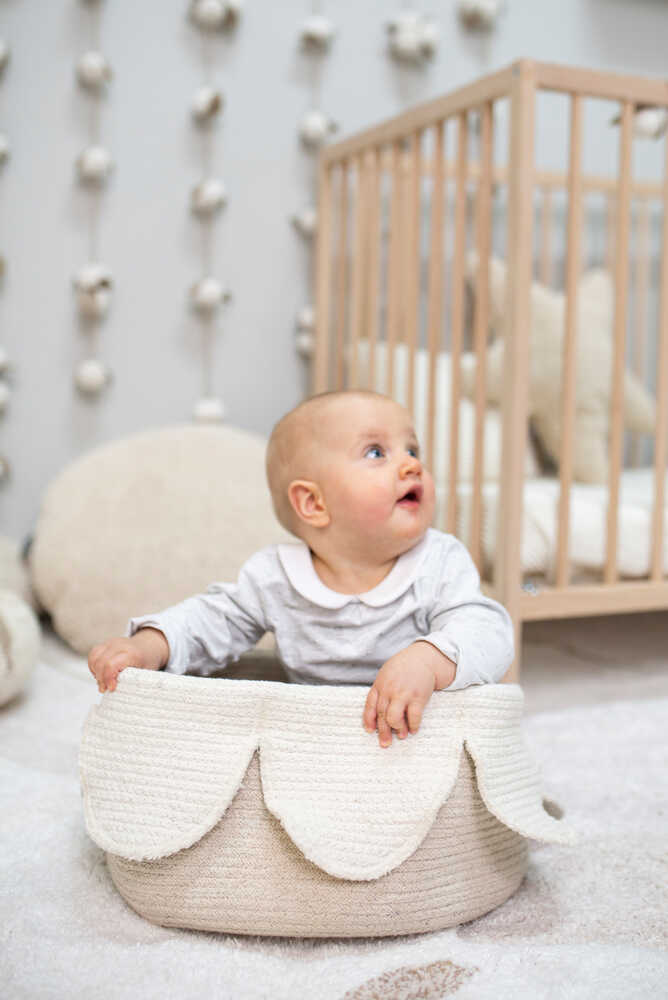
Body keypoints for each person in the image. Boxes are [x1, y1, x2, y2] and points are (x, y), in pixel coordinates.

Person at [87, 390, 514, 748]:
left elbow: (488, 631)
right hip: (315, 743)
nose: (411, 465)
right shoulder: (275, 577)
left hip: (412, 739)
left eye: (412, 449)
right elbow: (212, 619)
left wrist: (427, 659)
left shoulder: (438, 561)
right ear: (313, 503)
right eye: (376, 452)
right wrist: (150, 644)